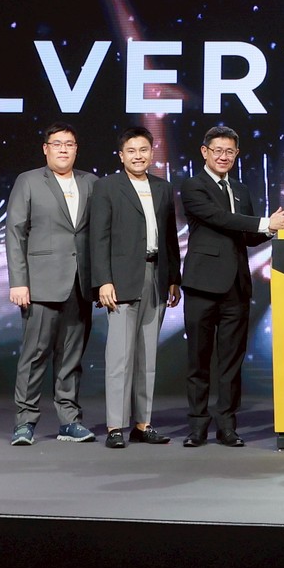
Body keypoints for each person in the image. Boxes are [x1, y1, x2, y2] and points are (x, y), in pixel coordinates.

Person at [173, 124, 284, 446]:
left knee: (231, 361)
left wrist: (272, 229)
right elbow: (218, 218)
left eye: (230, 152)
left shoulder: (240, 189)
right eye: (218, 151)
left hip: (236, 286)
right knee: (199, 359)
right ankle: (197, 425)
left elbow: (247, 236)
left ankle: (227, 425)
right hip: (202, 285)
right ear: (205, 152)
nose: (223, 157)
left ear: (236, 155)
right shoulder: (193, 186)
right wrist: (264, 222)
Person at [4, 124, 101, 447]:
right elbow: (15, 233)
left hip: (80, 283)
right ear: (45, 148)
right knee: (35, 356)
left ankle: (69, 421)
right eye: (57, 144)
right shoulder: (29, 180)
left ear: (76, 149)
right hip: (40, 284)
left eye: (69, 144)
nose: (63, 149)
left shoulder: (91, 182)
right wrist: (19, 281)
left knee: (71, 357)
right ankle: (25, 422)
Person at [91, 124, 184, 448]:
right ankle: (115, 426)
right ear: (121, 156)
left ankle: (143, 424)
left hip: (156, 276)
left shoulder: (162, 188)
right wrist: (103, 281)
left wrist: (173, 278)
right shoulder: (107, 187)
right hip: (121, 280)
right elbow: (98, 238)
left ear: (151, 152)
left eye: (143, 150)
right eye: (131, 151)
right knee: (120, 357)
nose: (138, 156)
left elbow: (170, 237)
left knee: (148, 358)